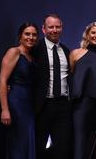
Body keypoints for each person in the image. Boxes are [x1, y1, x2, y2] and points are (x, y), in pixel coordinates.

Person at [69, 22, 96, 159]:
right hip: (82, 104)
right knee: (80, 142)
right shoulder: (76, 53)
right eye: (93, 32)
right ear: (87, 35)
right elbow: (70, 76)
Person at [34, 14, 72, 158]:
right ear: (44, 29)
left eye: (58, 27)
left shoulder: (66, 51)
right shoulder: (35, 48)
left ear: (62, 28)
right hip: (42, 105)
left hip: (63, 106)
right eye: (51, 27)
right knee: (38, 147)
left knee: (62, 149)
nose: (54, 30)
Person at [0, 22, 38, 159]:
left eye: (34, 35)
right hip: (16, 103)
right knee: (19, 142)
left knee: (27, 141)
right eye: (27, 34)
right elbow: (2, 81)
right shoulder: (14, 52)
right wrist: (5, 109)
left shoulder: (32, 57)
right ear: (20, 36)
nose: (31, 37)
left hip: (29, 103)